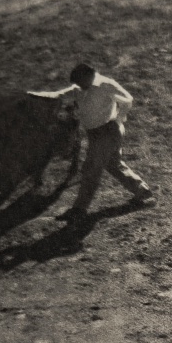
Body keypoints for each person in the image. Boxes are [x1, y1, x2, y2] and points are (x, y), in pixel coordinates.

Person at [32, 63, 153, 228]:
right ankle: (142, 191)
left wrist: (118, 120)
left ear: (89, 75)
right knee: (113, 164)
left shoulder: (105, 84)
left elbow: (128, 100)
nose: (79, 86)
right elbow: (59, 95)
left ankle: (79, 209)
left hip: (108, 131)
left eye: (80, 82)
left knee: (91, 169)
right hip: (96, 134)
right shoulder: (79, 88)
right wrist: (34, 95)